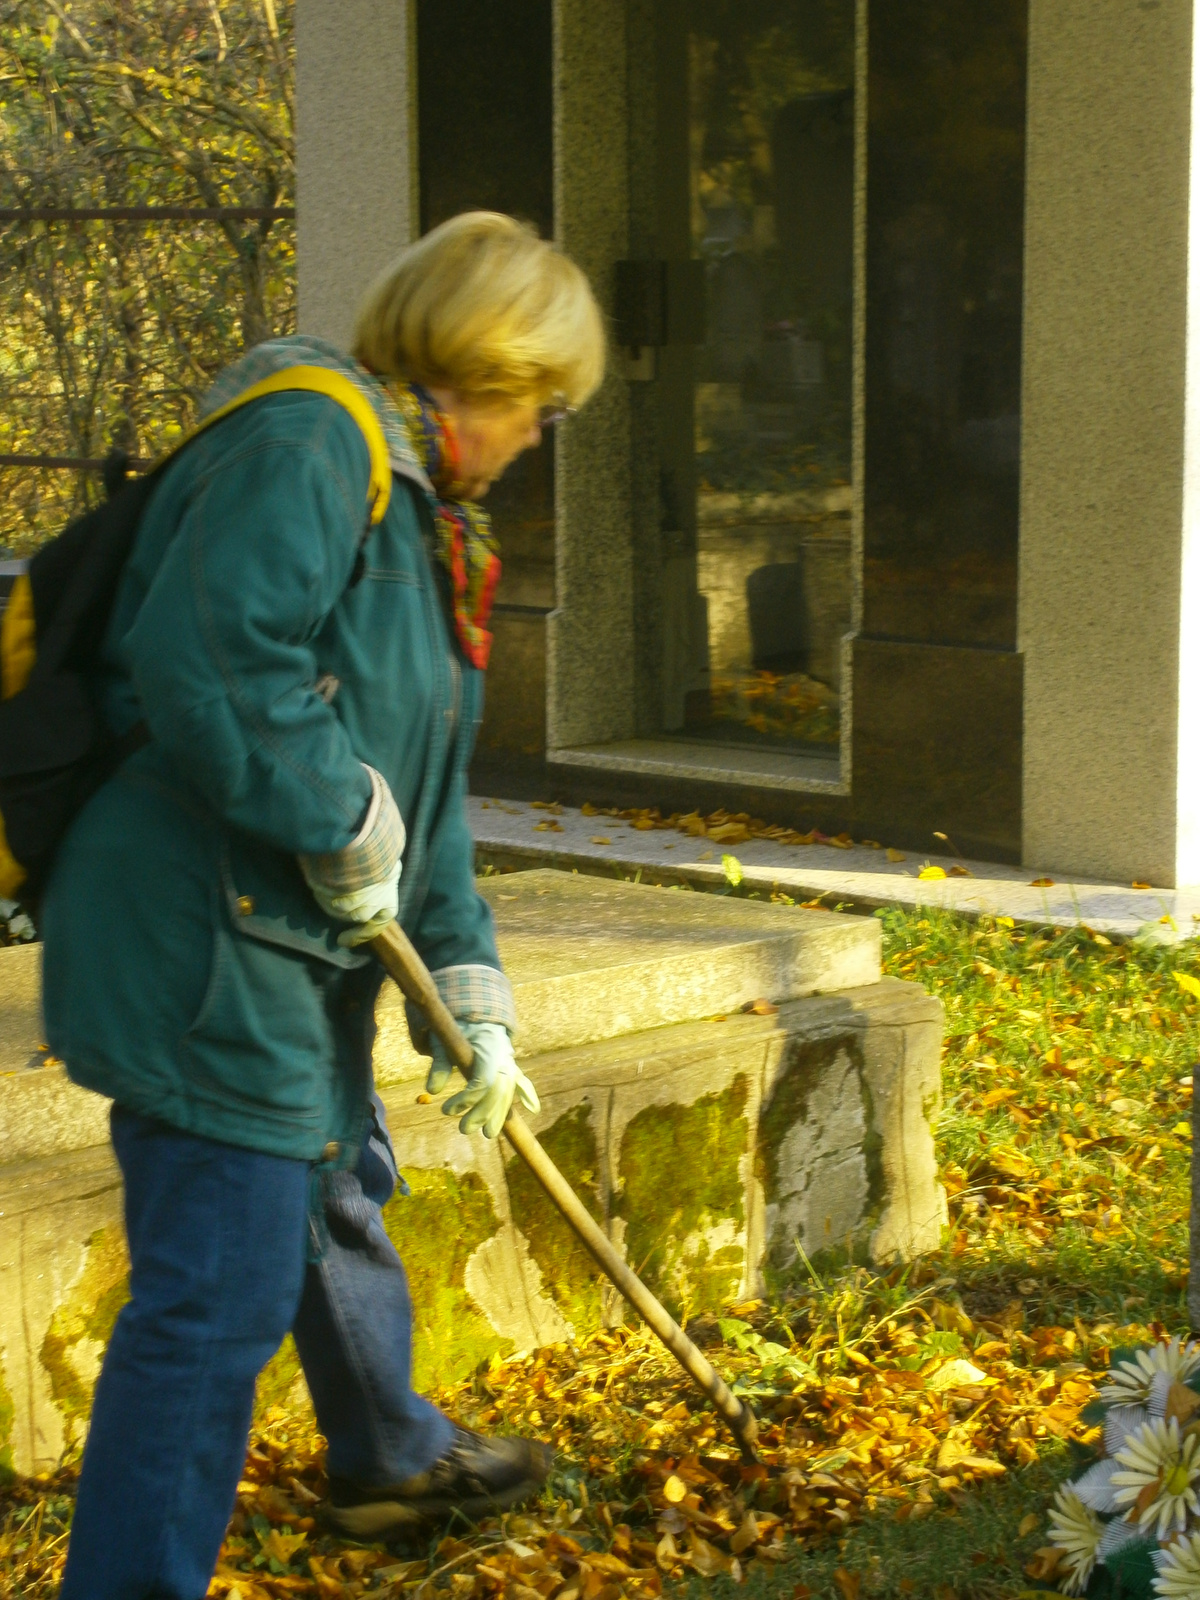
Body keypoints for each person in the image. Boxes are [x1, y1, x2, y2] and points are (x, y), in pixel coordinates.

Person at [40, 210, 606, 1599]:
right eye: (540, 406)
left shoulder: (424, 524)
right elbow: (215, 665)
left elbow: (430, 791)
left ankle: (388, 1456)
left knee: (326, 1183)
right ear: (478, 370)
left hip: (288, 949)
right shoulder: (310, 447)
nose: (541, 437)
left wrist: (471, 992)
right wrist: (340, 817)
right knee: (212, 1304)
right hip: (200, 949)